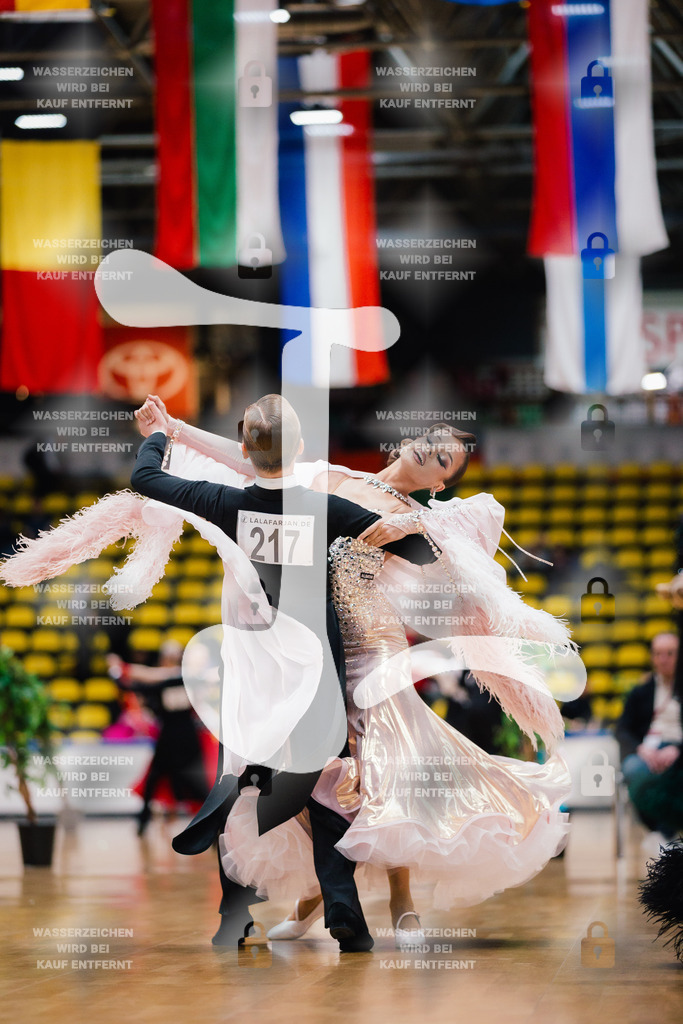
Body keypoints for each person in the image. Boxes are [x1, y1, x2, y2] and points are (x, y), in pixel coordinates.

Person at [133, 396, 573, 943]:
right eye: (432, 439)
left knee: (388, 766)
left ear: (440, 483)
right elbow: (251, 460)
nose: (431, 450)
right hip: (310, 645)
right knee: (317, 777)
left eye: (444, 458)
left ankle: (401, 901)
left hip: (371, 640)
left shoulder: (421, 518)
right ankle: (323, 894)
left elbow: (440, 573)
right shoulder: (335, 477)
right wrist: (177, 429)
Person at [129, 394, 437, 952]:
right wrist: (382, 539)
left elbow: (146, 478)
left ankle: (235, 884)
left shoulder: (222, 502)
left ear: (245, 450)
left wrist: (157, 432)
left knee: (252, 773)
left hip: (256, 675)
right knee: (325, 789)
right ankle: (342, 907)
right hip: (318, 672)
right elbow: (417, 547)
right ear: (297, 449)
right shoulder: (329, 510)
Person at [107, 639, 211, 836]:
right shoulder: (186, 678)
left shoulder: (175, 677)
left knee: (188, 784)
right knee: (173, 782)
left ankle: (212, 821)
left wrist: (119, 670)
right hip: (180, 737)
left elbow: (144, 679)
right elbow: (143, 681)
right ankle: (144, 821)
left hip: (177, 738)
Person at [616, 632, 681, 840]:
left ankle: (665, 833)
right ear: (652, 657)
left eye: (670, 653)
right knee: (633, 769)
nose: (664, 659)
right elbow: (622, 729)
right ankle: (661, 831)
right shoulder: (640, 692)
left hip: (678, 750)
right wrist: (641, 749)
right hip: (648, 750)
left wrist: (678, 750)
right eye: (658, 654)